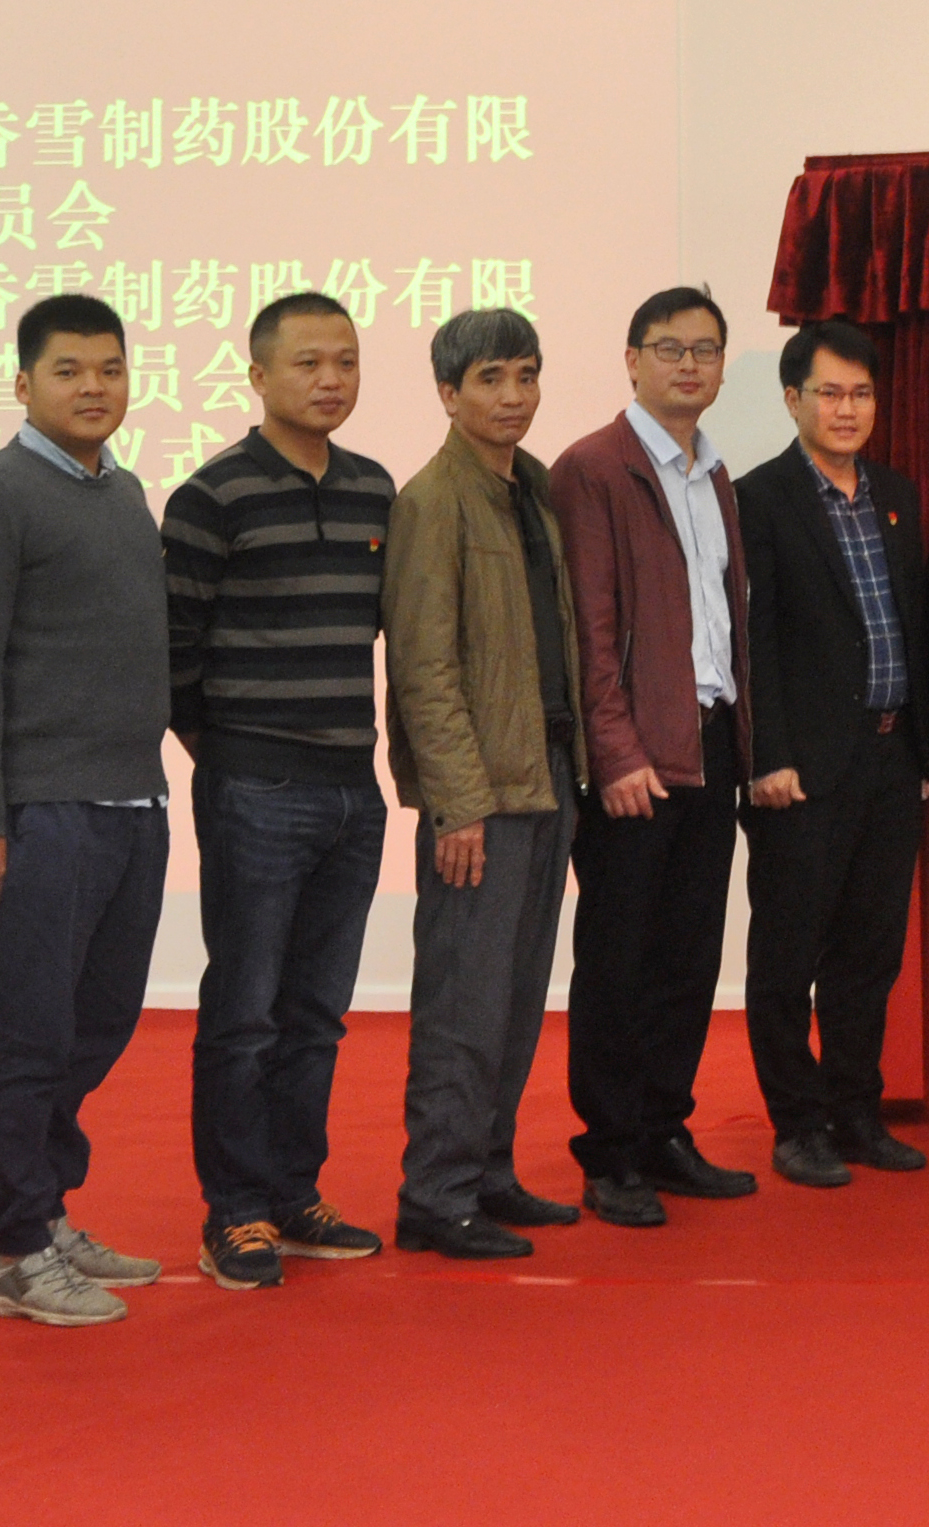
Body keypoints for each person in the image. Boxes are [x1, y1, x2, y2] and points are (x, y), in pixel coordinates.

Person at [0, 292, 171, 1328]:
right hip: (45, 810)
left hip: (133, 800)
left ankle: (47, 1208)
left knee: (100, 1020)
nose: (93, 387)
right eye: (69, 370)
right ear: (23, 382)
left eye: (109, 368)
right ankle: (16, 1247)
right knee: (26, 1029)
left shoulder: (123, 489)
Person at [165, 291, 395, 1292]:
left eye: (345, 360)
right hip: (255, 785)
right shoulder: (211, 494)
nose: (330, 379)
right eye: (307, 362)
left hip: (354, 788)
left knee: (318, 1010)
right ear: (258, 375)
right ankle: (235, 1209)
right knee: (245, 1009)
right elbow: (174, 654)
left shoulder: (376, 489)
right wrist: (230, 755)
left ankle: (296, 1192)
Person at [550, 286, 761, 1220]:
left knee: (688, 955)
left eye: (705, 350)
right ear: (631, 359)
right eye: (669, 348)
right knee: (618, 959)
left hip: (708, 741)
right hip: (635, 757)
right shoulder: (593, 468)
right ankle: (610, 1150)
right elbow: (588, 629)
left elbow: (721, 619)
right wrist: (614, 750)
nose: (689, 364)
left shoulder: (713, 471)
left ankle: (664, 1129)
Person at [384, 308, 587, 1260]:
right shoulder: (433, 501)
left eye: (526, 375)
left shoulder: (531, 489)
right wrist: (457, 802)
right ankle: (436, 1192)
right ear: (447, 392)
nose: (514, 396)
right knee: (463, 1000)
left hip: (545, 776)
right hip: (482, 796)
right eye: (491, 378)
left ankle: (488, 1170)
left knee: (514, 993)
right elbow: (423, 668)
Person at [735, 320, 929, 1188]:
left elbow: (913, 624)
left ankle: (857, 1111)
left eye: (860, 393)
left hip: (891, 760)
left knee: (869, 954)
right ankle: (797, 1123)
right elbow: (753, 637)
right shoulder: (758, 497)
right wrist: (766, 755)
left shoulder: (895, 493)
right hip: (801, 770)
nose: (847, 409)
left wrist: (926, 742)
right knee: (788, 958)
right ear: (793, 399)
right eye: (829, 392)